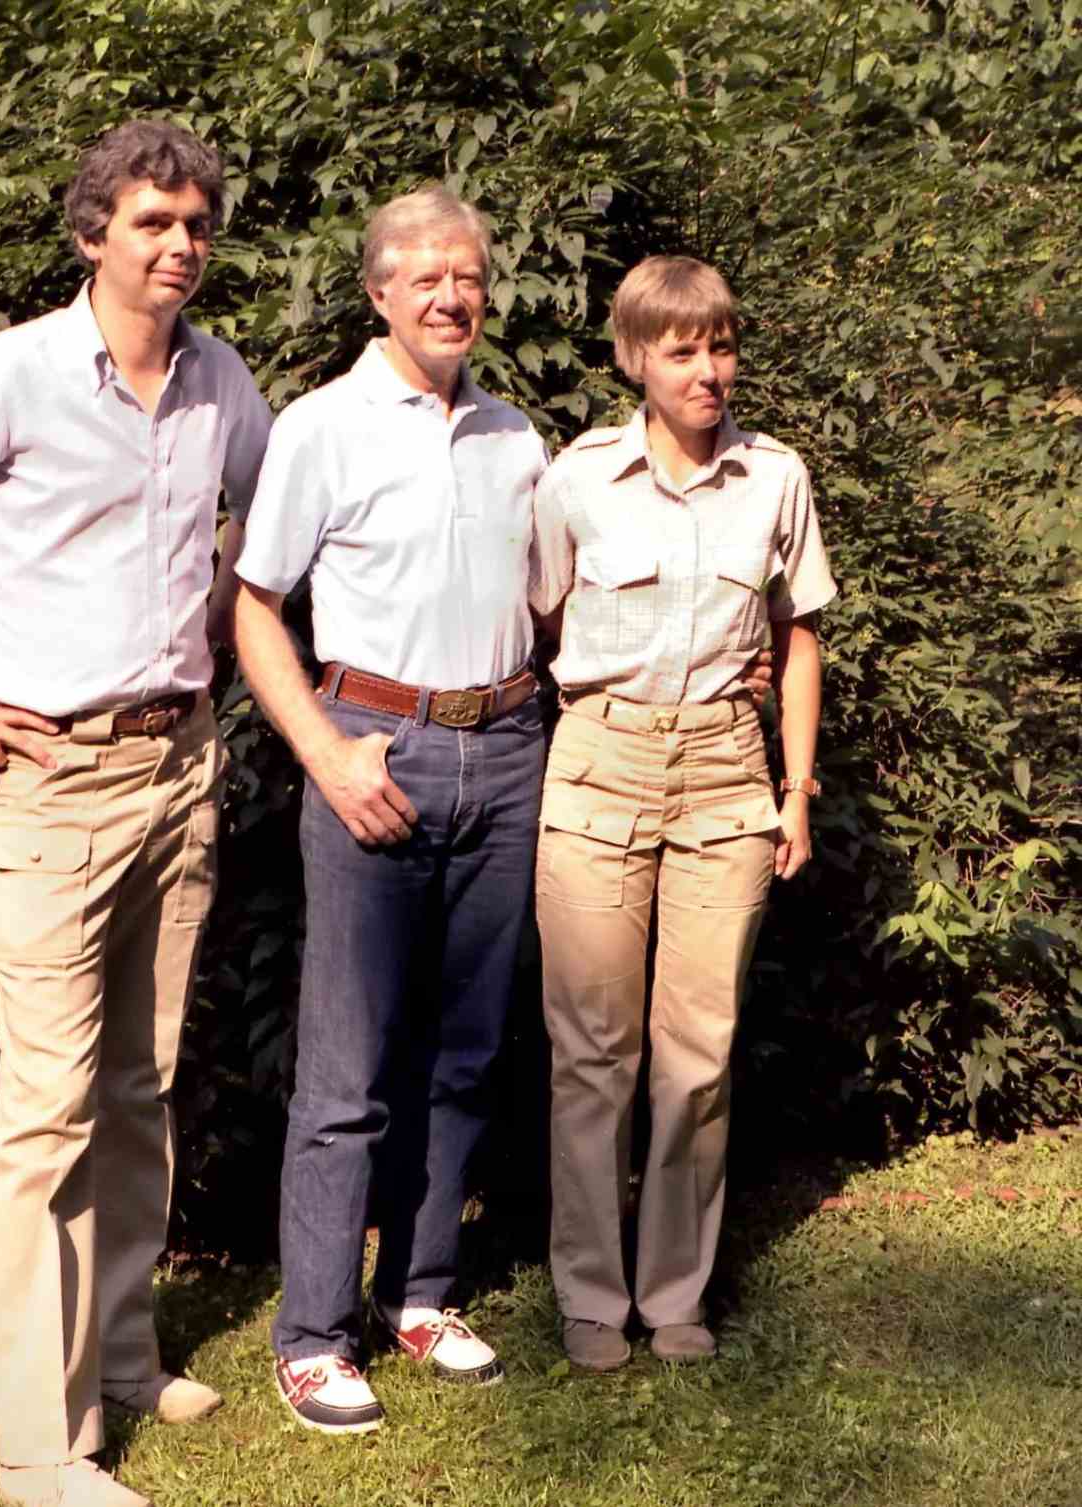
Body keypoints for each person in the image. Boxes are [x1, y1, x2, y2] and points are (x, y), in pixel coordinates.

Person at [0, 121, 272, 1507]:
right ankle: (41, 1449)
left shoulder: (225, 382)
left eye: (196, 223)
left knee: (140, 1079)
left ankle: (119, 1353)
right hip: (50, 783)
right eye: (152, 221)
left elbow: (268, 542)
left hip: (180, 767)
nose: (178, 245)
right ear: (93, 231)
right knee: (44, 1108)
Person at [232, 185, 553, 1434]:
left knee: (467, 1052)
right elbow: (255, 608)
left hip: (510, 746)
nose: (450, 295)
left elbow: (561, 602)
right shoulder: (324, 428)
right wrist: (326, 752)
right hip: (378, 754)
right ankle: (313, 1334)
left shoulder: (517, 434)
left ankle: (419, 1295)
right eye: (423, 276)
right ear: (378, 292)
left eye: (467, 274)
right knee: (349, 1067)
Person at [530, 255, 836, 1373]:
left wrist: (793, 786)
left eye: (721, 344)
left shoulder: (775, 478)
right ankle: (591, 1296)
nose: (710, 370)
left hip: (725, 775)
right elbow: (539, 624)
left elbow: (799, 632)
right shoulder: (576, 480)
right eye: (682, 349)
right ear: (634, 360)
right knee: (593, 1054)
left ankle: (674, 1293)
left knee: (696, 1055)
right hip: (599, 767)